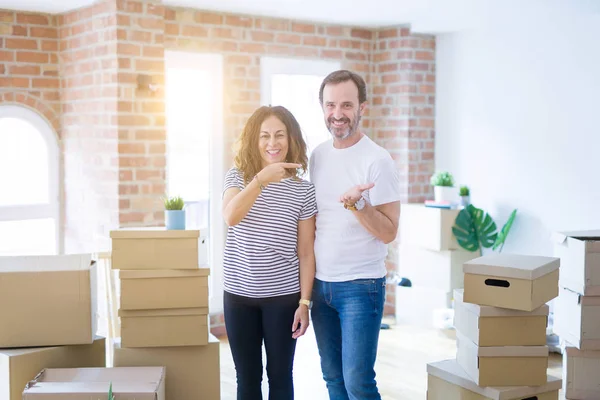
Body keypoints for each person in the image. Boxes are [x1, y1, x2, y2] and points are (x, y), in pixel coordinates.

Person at [309, 70, 401, 400]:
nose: (337, 114)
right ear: (321, 107)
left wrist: (358, 204)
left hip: (361, 288)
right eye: (330, 105)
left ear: (363, 107)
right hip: (321, 287)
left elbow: (389, 232)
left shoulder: (378, 160)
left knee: (358, 383)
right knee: (332, 378)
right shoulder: (317, 156)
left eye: (346, 105)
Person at [222, 105, 317, 400]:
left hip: (283, 298)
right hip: (239, 296)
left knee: (280, 377)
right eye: (264, 136)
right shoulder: (237, 178)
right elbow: (231, 216)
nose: (272, 143)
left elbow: (305, 253)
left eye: (279, 135)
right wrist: (261, 180)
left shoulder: (303, 191)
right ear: (254, 140)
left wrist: (304, 303)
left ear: (291, 140)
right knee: (247, 379)